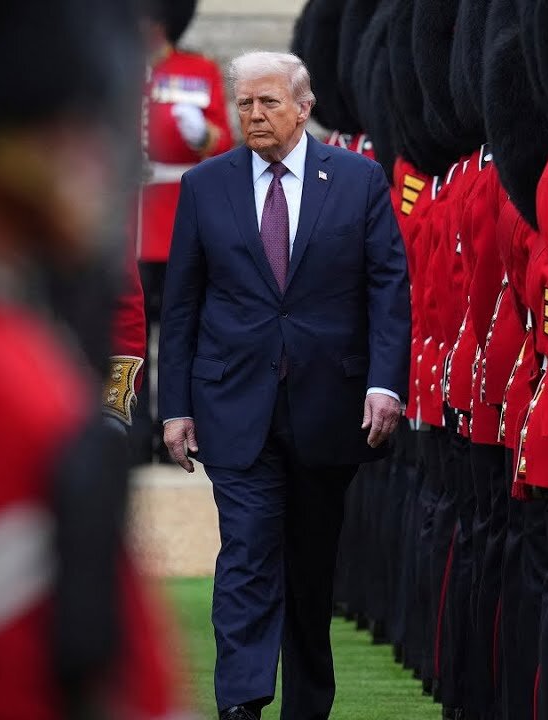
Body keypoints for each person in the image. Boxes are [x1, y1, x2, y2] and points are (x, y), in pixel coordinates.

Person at [158, 50, 410, 720]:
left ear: (303, 106)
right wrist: (175, 407)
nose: (255, 115)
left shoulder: (357, 180)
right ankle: (241, 701)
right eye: (244, 103)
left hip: (328, 406)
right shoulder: (206, 185)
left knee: (309, 565)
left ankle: (307, 704)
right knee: (246, 552)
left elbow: (387, 289)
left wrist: (386, 384)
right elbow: (182, 304)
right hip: (234, 406)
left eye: (268, 102)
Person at [132, 0, 234, 464]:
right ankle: (131, 432)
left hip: (178, 215)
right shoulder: (119, 62)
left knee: (180, 332)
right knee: (130, 336)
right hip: (130, 215)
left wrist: (202, 137)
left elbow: (224, 142)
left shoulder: (197, 69)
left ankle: (179, 426)